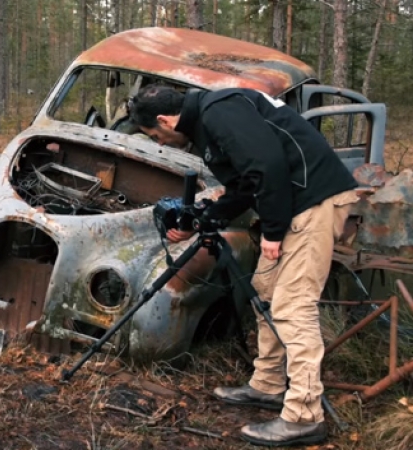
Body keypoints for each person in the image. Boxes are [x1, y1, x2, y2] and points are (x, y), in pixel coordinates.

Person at [127, 85, 359, 447]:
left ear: (165, 119)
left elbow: (267, 166)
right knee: (266, 291)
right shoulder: (208, 122)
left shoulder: (219, 110)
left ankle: (303, 416)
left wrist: (272, 230)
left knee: (293, 305)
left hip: (313, 200)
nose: (159, 142)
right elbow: (247, 185)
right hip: (295, 202)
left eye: (155, 135)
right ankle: (268, 385)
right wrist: (207, 216)